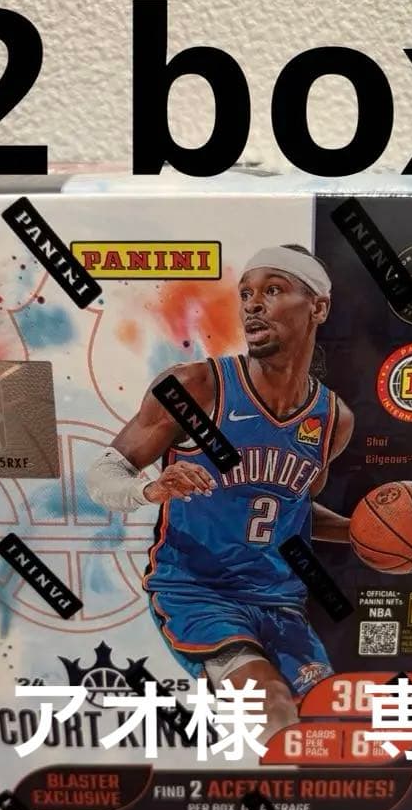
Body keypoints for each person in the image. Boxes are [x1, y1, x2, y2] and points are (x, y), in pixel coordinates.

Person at [87, 245, 354, 736]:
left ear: (318, 307)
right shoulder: (195, 386)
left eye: (273, 290)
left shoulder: (333, 419)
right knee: (272, 704)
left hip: (280, 602)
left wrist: (365, 534)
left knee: (326, 721)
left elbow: (293, 510)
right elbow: (102, 476)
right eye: (246, 293)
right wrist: (150, 490)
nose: (253, 305)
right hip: (198, 592)